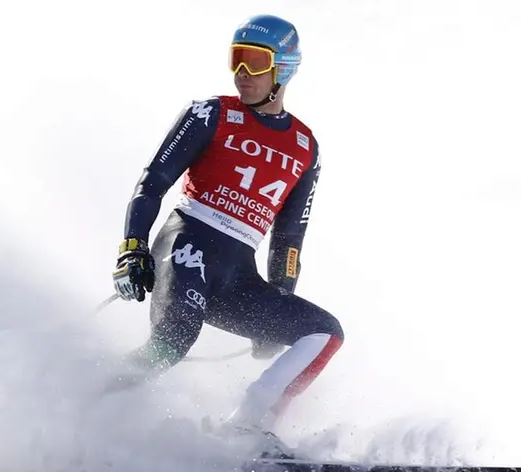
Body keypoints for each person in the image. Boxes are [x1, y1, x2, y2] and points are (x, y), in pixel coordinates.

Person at [111, 13, 344, 447]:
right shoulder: (210, 113)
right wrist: (132, 248)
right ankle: (81, 395)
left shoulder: (306, 147)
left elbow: (289, 239)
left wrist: (278, 299)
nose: (242, 73)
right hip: (186, 248)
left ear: (283, 69)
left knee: (324, 332)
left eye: (255, 61)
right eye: (236, 59)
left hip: (238, 276)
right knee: (172, 344)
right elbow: (152, 183)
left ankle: (245, 429)